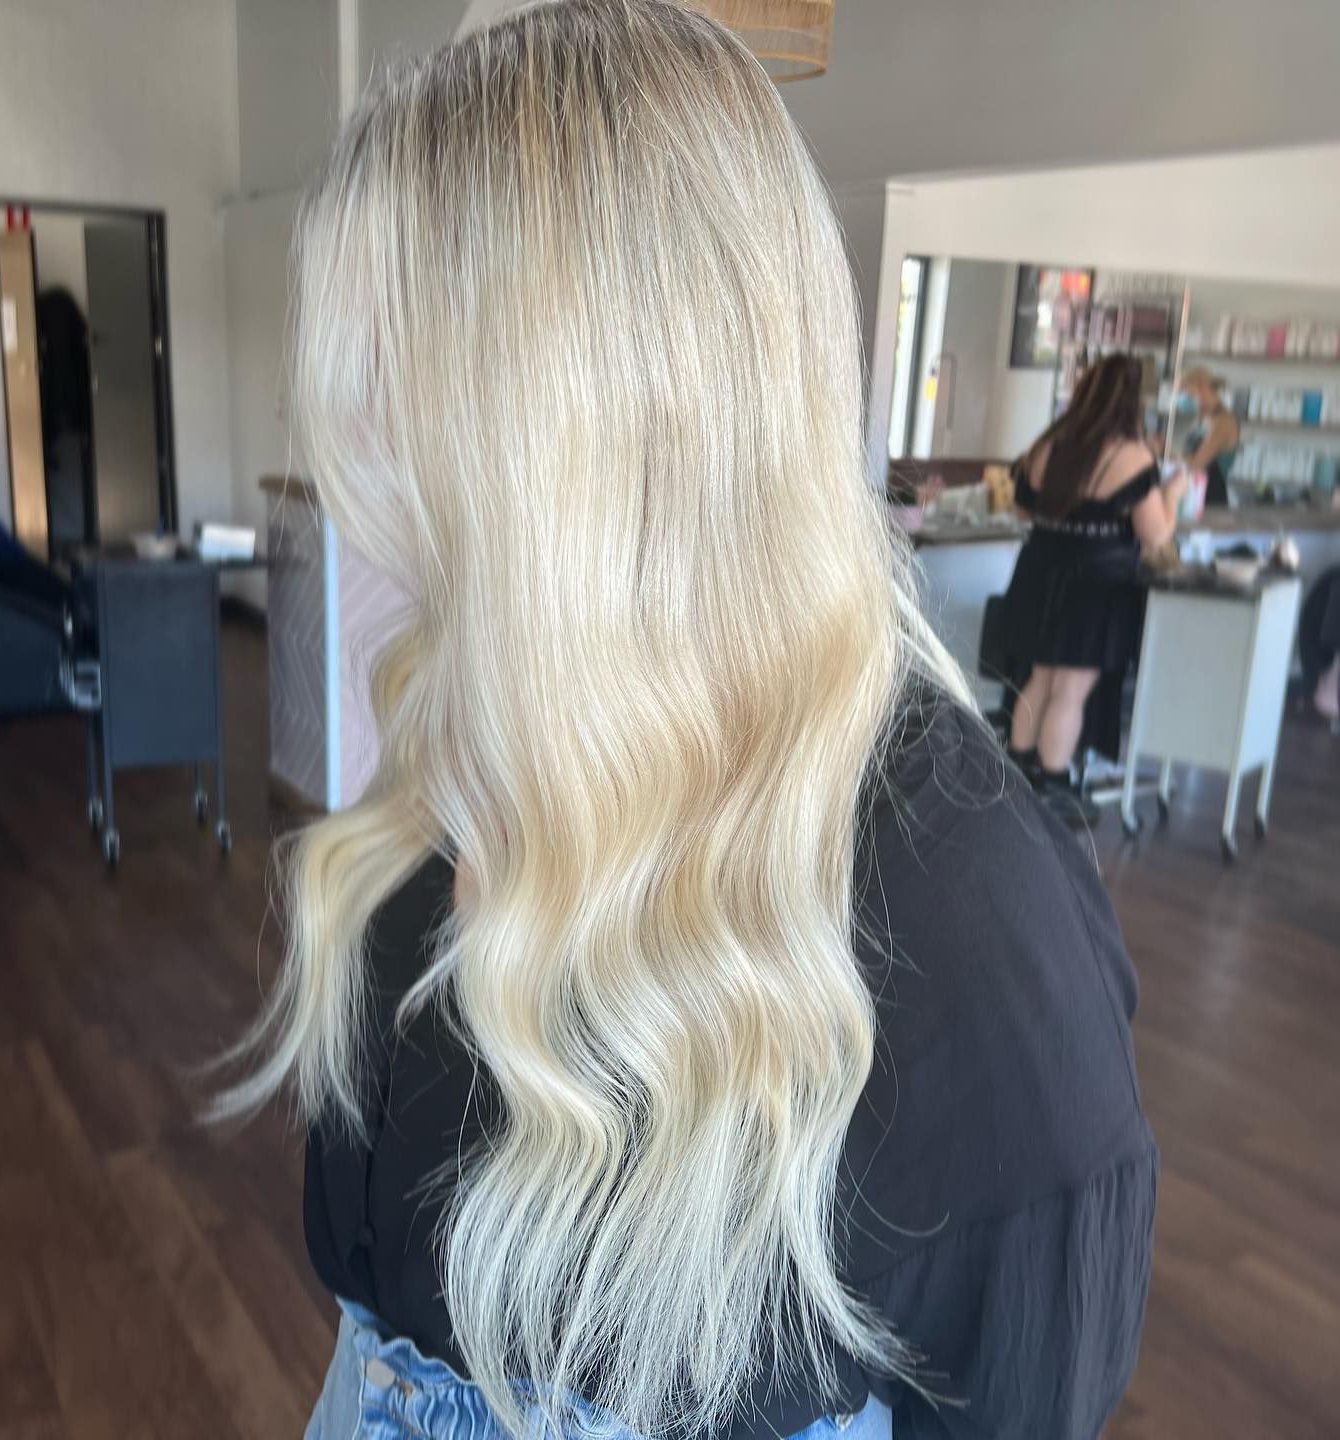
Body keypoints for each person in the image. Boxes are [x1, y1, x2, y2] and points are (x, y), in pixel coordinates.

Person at [216, 4, 1157, 1438]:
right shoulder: (476, 754)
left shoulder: (976, 968)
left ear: (602, 450)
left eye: (411, 432)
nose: (364, 508)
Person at [1004, 355, 1187, 815]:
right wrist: (1174, 494)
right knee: (1071, 689)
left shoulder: (1050, 444)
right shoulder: (1131, 455)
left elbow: (1023, 508)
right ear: (1132, 401)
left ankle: (1018, 771)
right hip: (1098, 584)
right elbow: (1156, 534)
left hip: (1041, 572)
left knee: (1040, 677)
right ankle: (1054, 782)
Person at [1175, 365, 1241, 509]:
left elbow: (1197, 463)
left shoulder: (1223, 422)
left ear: (1202, 388)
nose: (1182, 400)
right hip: (1194, 492)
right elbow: (1188, 455)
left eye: (1186, 394)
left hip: (1210, 499)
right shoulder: (1201, 419)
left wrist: (1168, 454)